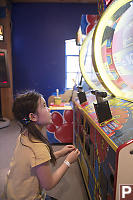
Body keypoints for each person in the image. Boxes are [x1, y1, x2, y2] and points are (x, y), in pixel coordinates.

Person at [3, 90, 80, 200]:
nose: (48, 109)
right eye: (44, 106)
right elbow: (49, 184)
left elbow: (37, 161)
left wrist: (61, 153)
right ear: (33, 117)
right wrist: (68, 161)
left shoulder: (23, 136)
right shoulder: (38, 147)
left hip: (12, 193)